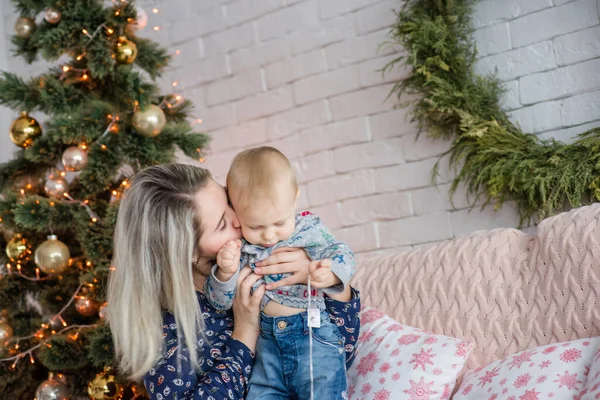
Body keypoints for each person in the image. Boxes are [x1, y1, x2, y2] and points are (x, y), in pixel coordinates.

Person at [106, 163, 360, 400]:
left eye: (229, 202)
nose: (240, 220)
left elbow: (340, 356)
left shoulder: (268, 251)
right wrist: (245, 333)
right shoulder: (168, 327)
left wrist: (321, 277)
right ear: (186, 252)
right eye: (222, 224)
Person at [204, 147, 356, 399]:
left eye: (279, 223)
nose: (269, 235)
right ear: (236, 212)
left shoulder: (308, 229)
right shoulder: (238, 248)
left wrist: (331, 275)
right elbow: (219, 302)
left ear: (294, 199)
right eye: (255, 226)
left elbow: (343, 252)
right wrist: (224, 272)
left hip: (314, 338)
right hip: (266, 349)